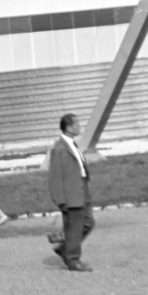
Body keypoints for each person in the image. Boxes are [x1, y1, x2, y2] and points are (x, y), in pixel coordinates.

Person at [47, 113, 94, 272]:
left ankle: (64, 248)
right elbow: (54, 176)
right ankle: (73, 260)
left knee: (88, 223)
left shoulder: (72, 144)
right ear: (68, 127)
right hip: (71, 195)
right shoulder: (59, 148)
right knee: (75, 228)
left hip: (81, 190)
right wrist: (60, 200)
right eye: (77, 124)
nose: (79, 126)